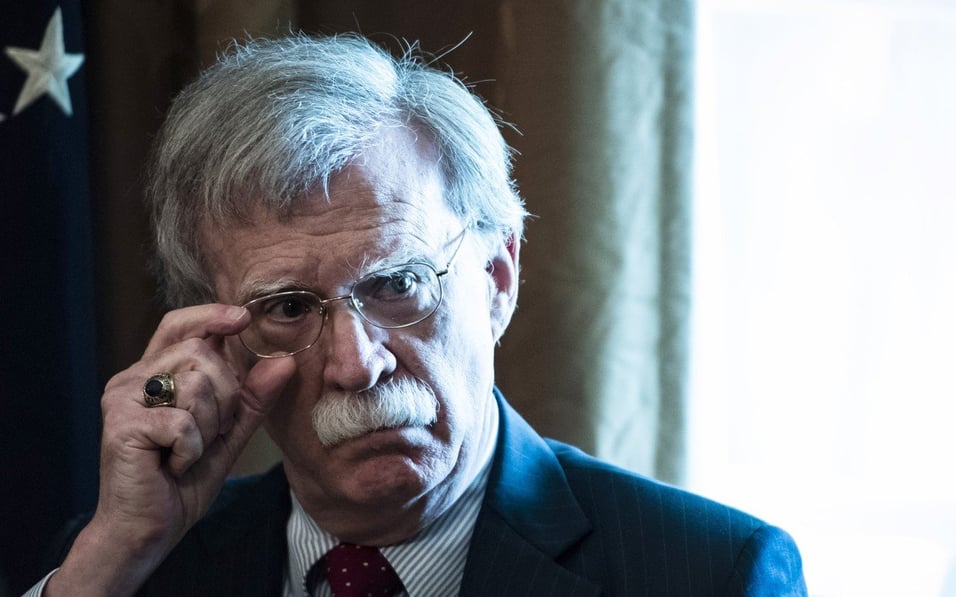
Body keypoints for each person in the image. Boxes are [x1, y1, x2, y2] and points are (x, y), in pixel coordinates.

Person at [29, 33, 806, 596]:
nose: (355, 361)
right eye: (290, 306)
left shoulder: (710, 572)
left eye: (398, 284)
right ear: (215, 346)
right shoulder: (133, 566)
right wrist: (113, 555)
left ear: (497, 278)